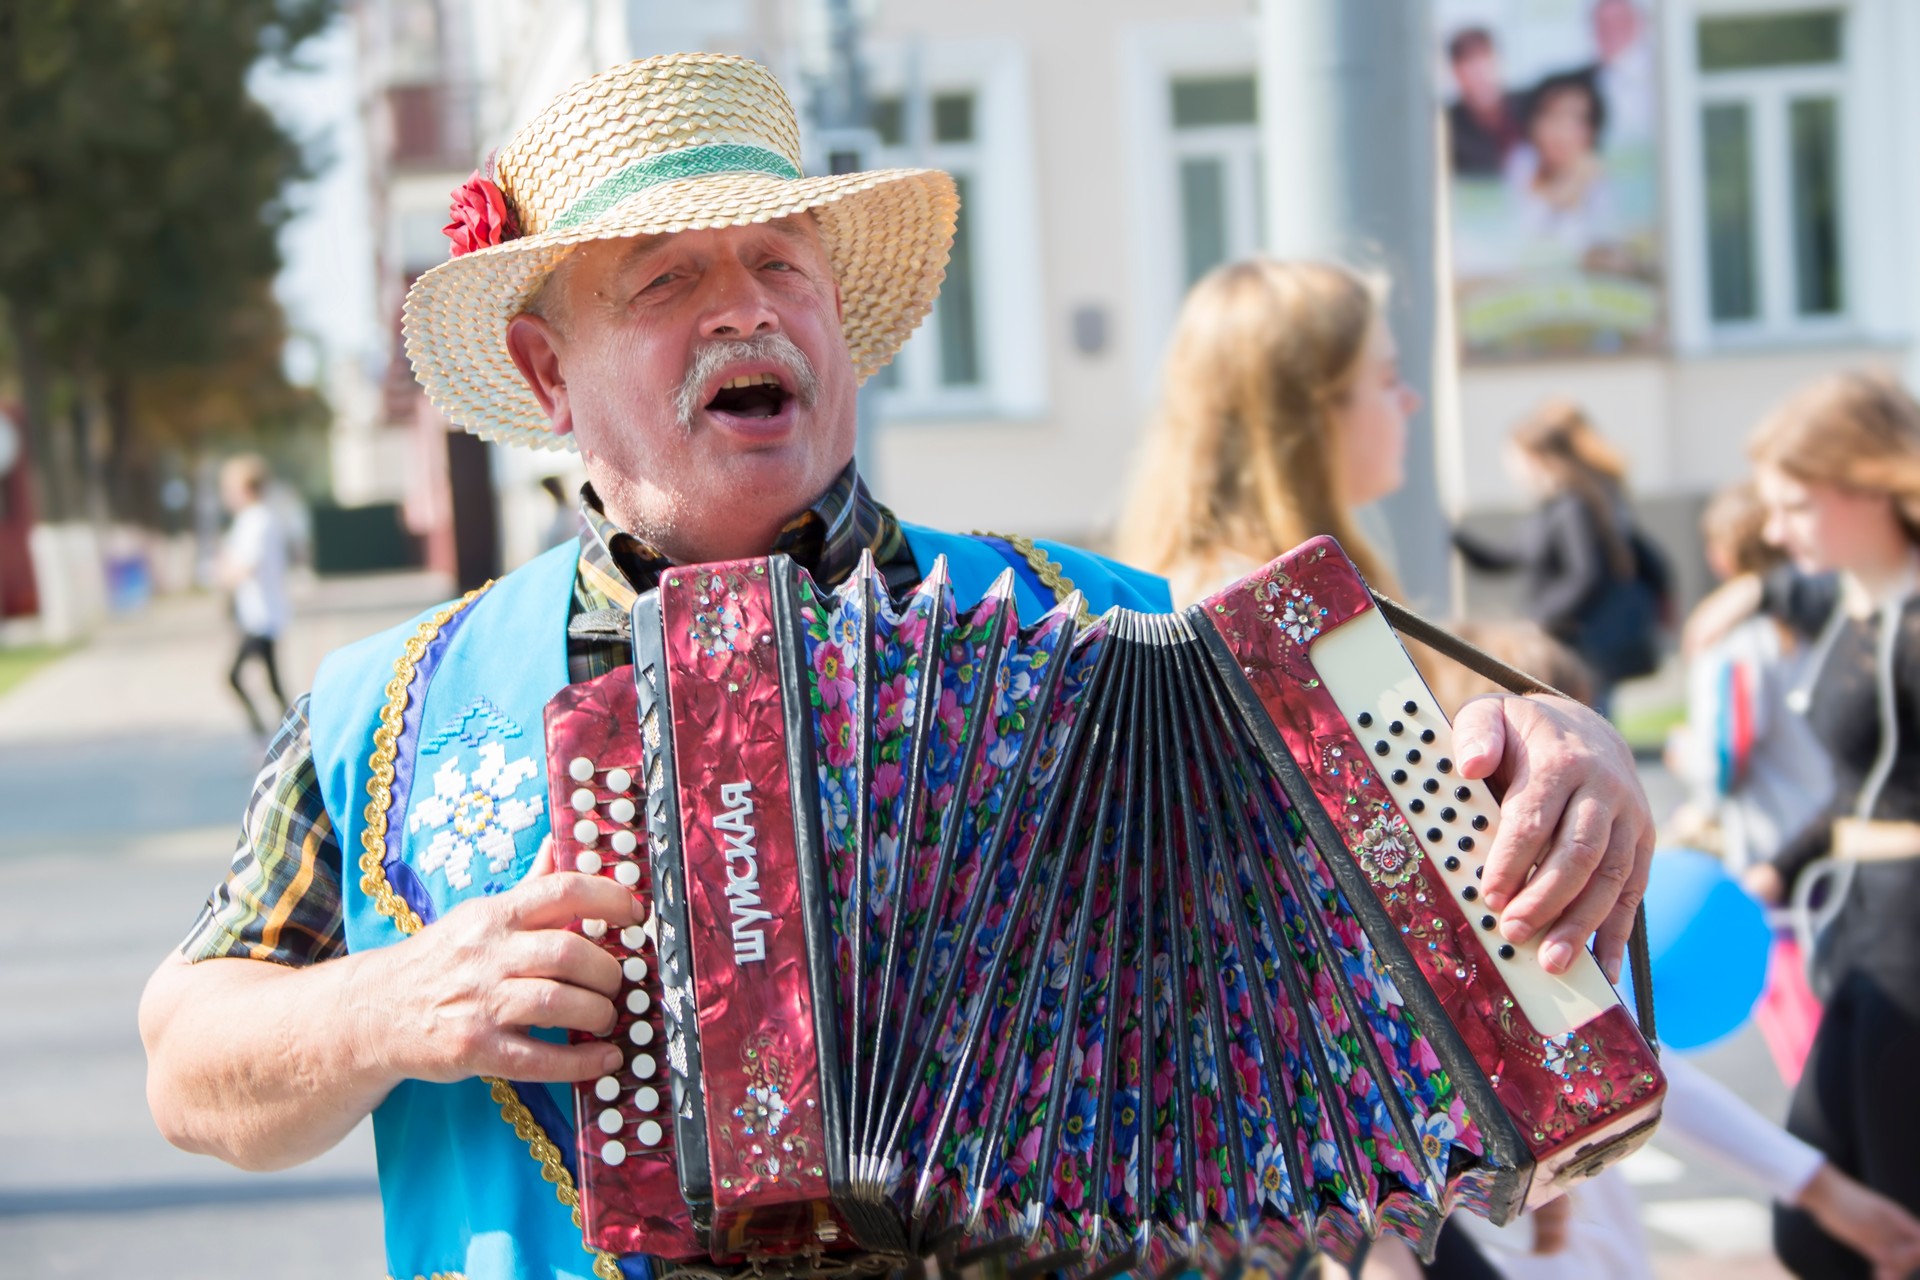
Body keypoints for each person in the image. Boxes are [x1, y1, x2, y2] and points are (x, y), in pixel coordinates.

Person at [139, 62, 1660, 1280]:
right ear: (548, 375)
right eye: (667, 279)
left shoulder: (1103, 628)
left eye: (779, 264)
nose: (744, 307)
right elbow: (187, 1057)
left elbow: (1455, 934)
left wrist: (1558, 760)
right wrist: (392, 1006)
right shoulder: (392, 705)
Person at [1117, 258, 1656, 1280]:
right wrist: (1377, 1239)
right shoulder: (1248, 624)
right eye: (1386, 376)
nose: (1407, 399)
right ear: (1311, 408)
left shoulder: (1301, 600)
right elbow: (1282, 965)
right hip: (1318, 1204)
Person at [1713, 371, 1920, 1279]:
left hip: (1910, 946)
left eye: (1796, 503)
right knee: (1816, 1230)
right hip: (1859, 937)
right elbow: (1854, 792)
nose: (1775, 529)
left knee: (1897, 1224)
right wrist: (1777, 869)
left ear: (1872, 483)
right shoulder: (1849, 606)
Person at [1453, 400, 1667, 712]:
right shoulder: (1549, 510)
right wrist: (1454, 536)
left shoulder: (1573, 508)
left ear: (1536, 459)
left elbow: (1586, 574)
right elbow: (1505, 558)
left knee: (1585, 725)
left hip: (1580, 645)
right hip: (1563, 641)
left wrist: (1540, 620)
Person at [215, 453, 291, 737]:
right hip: (256, 614)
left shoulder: (258, 520)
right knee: (273, 683)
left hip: (263, 615)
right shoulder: (251, 520)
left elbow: (245, 566)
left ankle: (267, 736)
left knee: (235, 677)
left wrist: (224, 574)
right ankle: (289, 738)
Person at [1446, 27, 1525, 178]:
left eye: (1483, 59)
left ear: (1498, 60)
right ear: (1455, 71)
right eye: (1467, 63)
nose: (1477, 72)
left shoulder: (1528, 108)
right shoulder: (1449, 125)